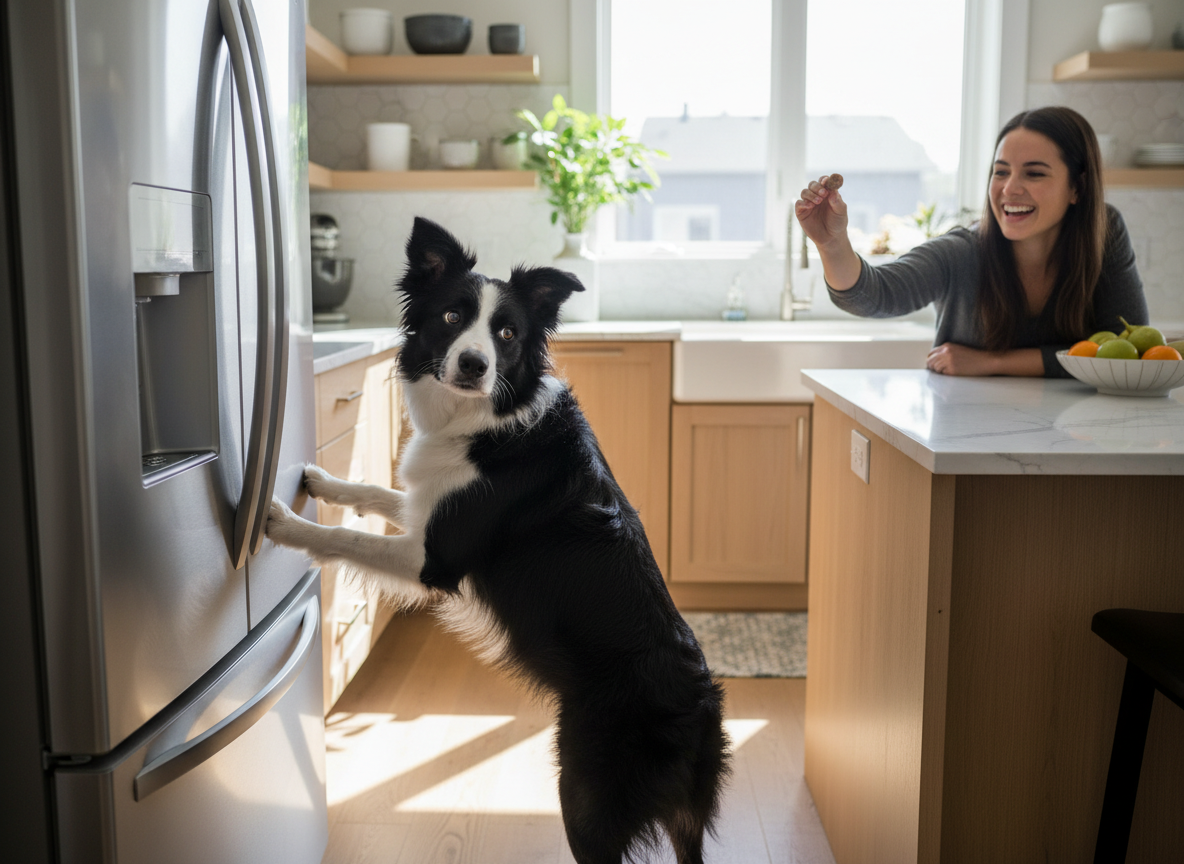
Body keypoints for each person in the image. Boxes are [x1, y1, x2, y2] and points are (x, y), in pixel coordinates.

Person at [794, 106, 1148, 377]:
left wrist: (993, 362)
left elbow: (1126, 350)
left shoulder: (1105, 231)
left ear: (1077, 187)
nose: (1010, 189)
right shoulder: (962, 252)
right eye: (1001, 171)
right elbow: (874, 295)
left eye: (1034, 173)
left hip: (1079, 434)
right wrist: (832, 244)